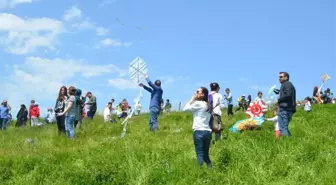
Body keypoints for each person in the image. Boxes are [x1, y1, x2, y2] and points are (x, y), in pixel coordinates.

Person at [183, 87, 212, 168]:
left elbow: (185, 109)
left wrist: (192, 98)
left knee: (199, 153)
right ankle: (211, 169)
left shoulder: (198, 104)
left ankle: (201, 171)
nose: (195, 92)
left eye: (197, 91)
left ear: (202, 94)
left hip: (198, 131)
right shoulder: (208, 104)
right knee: (206, 154)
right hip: (207, 132)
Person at [274, 72, 296, 136]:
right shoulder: (287, 84)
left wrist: (279, 100)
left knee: (282, 129)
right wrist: (279, 91)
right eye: (279, 77)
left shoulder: (287, 84)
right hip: (288, 109)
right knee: (284, 128)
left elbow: (288, 94)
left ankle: (287, 144)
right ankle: (291, 142)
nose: (279, 78)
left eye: (281, 77)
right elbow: (287, 93)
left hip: (284, 108)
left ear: (286, 77)